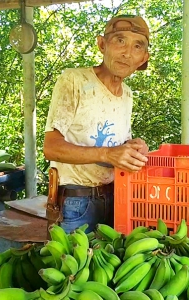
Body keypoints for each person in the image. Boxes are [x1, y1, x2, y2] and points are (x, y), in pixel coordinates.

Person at [43, 15, 150, 233]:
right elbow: (50, 147)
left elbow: (117, 144)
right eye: (120, 41)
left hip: (117, 196)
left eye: (137, 46)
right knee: (73, 266)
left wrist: (134, 148)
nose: (126, 52)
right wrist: (107, 154)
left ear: (143, 58)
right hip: (76, 202)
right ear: (102, 44)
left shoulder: (127, 95)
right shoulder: (74, 80)